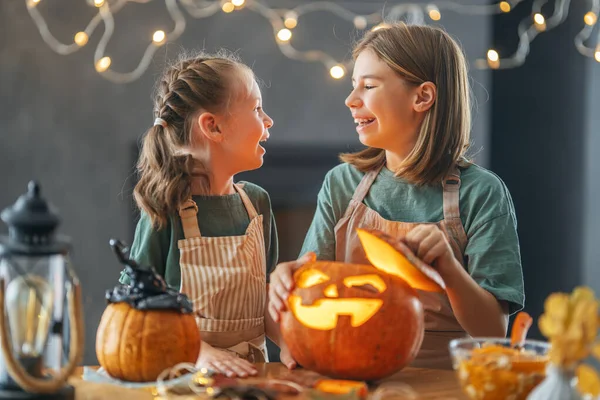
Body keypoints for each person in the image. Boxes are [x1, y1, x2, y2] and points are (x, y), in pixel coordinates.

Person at [268, 23, 525, 370]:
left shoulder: (482, 193)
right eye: (352, 85)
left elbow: (492, 330)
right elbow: (313, 289)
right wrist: (288, 279)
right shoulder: (342, 184)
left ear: (422, 97)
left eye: (368, 86)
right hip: (352, 374)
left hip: (446, 384)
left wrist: (448, 270)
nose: (351, 99)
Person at [121, 52, 286, 377]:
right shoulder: (165, 209)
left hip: (251, 381)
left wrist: (295, 344)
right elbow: (135, 309)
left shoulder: (257, 204)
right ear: (213, 126)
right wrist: (198, 351)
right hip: (180, 381)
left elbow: (265, 298)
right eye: (256, 108)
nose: (268, 121)